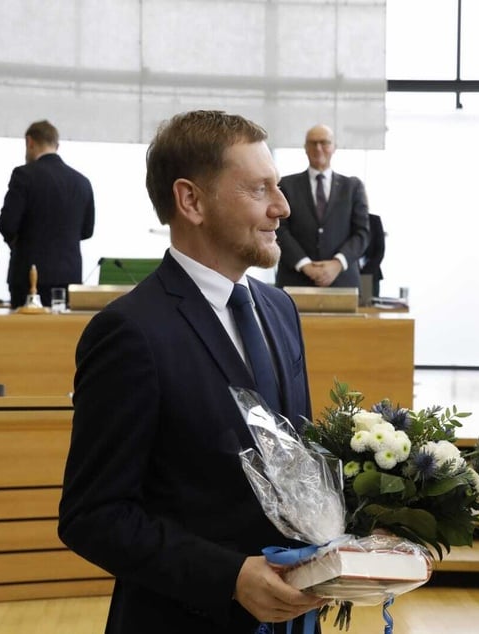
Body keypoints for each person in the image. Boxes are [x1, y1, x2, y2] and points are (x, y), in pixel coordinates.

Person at [58, 110, 324, 634]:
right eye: (259, 189)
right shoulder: (129, 332)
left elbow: (295, 463)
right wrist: (228, 576)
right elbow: (92, 516)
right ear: (191, 201)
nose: (283, 206)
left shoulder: (279, 309)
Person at [0, 119, 95, 308]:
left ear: (30, 142)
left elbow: (7, 224)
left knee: (25, 335)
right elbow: (87, 231)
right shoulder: (82, 182)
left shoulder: (24, 175)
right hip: (69, 276)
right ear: (57, 145)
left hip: (29, 276)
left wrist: (20, 242)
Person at [276, 124, 369, 288]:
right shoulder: (286, 185)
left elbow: (362, 233)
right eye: (312, 143)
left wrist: (337, 263)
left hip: (342, 282)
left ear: (334, 147)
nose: (318, 148)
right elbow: (279, 229)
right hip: (295, 281)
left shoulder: (353, 187)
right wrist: (305, 265)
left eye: (324, 143)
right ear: (305, 148)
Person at [360, 213, 385, 298]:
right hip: (347, 275)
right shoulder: (344, 220)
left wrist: (366, 271)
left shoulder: (374, 220)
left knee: (370, 308)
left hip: (370, 274)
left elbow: (380, 250)